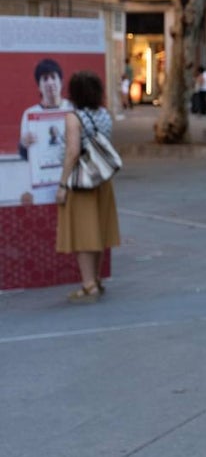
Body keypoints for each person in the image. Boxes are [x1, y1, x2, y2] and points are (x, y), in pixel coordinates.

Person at [54, 71, 121, 302]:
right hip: (102, 180)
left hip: (81, 182)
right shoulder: (104, 114)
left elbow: (72, 151)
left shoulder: (74, 117)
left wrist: (62, 184)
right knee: (98, 231)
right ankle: (96, 280)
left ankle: (88, 285)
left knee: (83, 234)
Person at [20, 58, 74, 203]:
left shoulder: (73, 110)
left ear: (61, 81)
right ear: (39, 86)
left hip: (71, 182)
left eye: (53, 77)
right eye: (45, 79)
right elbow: (26, 156)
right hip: (43, 186)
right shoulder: (29, 115)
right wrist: (24, 144)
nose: (50, 83)